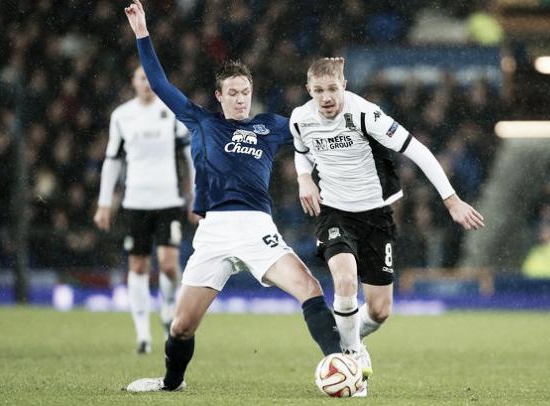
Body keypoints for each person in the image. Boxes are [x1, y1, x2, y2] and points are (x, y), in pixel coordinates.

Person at [122, 0, 342, 393]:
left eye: (247, 92)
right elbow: (159, 84)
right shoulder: (201, 121)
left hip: (257, 227)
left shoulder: (270, 126)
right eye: (234, 93)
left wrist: (334, 93)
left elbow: (315, 124)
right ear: (219, 96)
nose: (242, 99)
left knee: (309, 287)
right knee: (181, 325)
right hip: (213, 232)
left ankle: (342, 365)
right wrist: (142, 33)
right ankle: (172, 383)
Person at [290, 57, 485, 395]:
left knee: (379, 310)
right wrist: (304, 177)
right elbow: (301, 150)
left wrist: (451, 200)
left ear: (344, 86)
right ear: (309, 90)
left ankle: (353, 337)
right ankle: (350, 359)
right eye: (318, 90)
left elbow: (418, 150)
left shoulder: (367, 114)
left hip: (376, 216)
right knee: (345, 279)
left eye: (333, 89)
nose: (326, 97)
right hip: (334, 211)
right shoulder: (300, 118)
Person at [94, 65, 193, 355]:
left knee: (168, 264)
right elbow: (112, 160)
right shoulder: (122, 116)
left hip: (169, 200)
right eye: (141, 78)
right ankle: (143, 335)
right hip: (135, 202)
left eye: (151, 79)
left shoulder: (171, 112)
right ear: (133, 82)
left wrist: (196, 194)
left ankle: (167, 307)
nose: (147, 84)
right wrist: (103, 203)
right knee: (137, 266)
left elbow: (189, 155)